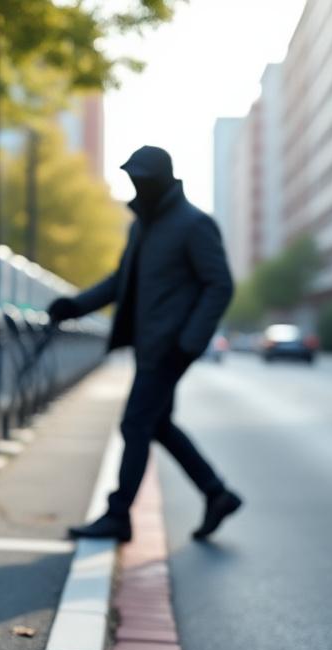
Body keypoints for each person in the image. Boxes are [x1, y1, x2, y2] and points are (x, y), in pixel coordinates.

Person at [48, 145, 241, 542]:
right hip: (149, 345)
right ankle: (216, 493)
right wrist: (73, 306)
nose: (137, 185)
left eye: (143, 178)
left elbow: (220, 284)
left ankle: (119, 515)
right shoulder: (143, 227)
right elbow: (120, 281)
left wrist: (189, 340)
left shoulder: (194, 224)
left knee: (135, 422)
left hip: (171, 348)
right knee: (157, 425)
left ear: (163, 180)